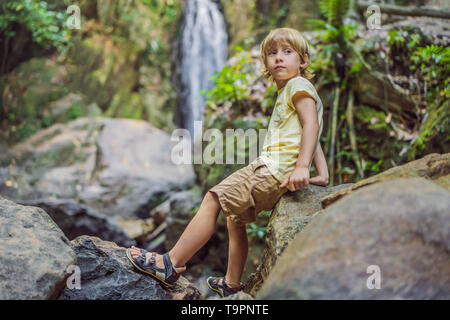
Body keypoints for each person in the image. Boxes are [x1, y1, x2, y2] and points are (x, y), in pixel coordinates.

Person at [126, 27, 329, 297]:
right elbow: (312, 129)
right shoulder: (293, 92)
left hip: (269, 169)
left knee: (213, 198)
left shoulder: (297, 85)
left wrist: (303, 167)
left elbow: (311, 124)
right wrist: (322, 174)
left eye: (287, 52)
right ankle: (232, 283)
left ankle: (170, 263)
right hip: (278, 174)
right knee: (234, 218)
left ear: (302, 61)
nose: (279, 58)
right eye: (272, 53)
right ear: (266, 63)